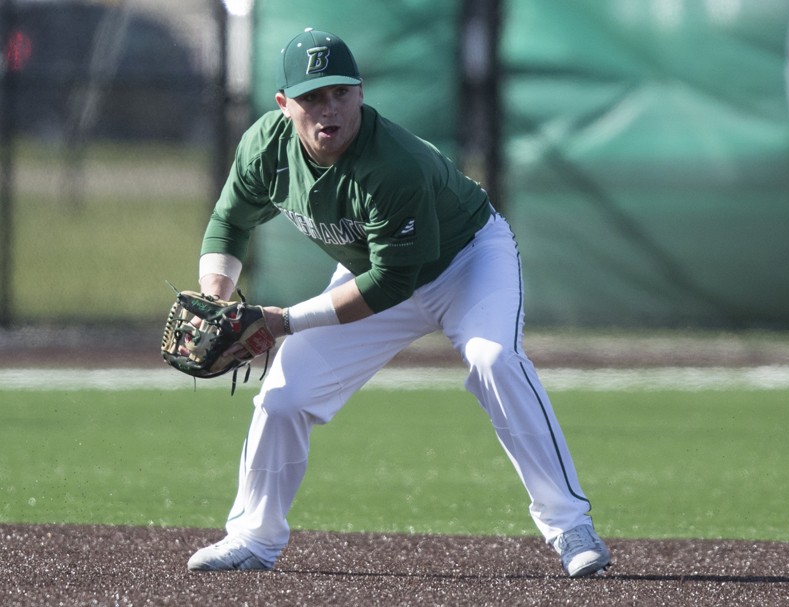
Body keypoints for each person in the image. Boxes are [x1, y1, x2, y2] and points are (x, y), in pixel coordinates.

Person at [186, 27, 611, 578]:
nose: (328, 108)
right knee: (284, 398)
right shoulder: (265, 148)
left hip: (468, 261)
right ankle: (252, 539)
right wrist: (216, 298)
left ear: (361, 92)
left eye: (340, 91)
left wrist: (282, 321)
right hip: (375, 270)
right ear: (284, 104)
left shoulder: (393, 164)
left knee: (495, 360)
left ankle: (570, 525)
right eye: (312, 96)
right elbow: (229, 221)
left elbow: (392, 284)